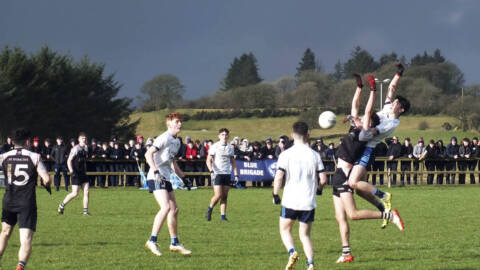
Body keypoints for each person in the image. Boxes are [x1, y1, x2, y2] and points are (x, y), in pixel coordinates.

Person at [331, 74, 404, 263]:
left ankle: (388, 213)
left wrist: (372, 91)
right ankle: (346, 253)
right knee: (340, 217)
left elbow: (368, 110)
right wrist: (359, 86)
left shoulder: (362, 135)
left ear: (369, 124)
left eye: (366, 119)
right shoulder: (354, 127)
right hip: (337, 176)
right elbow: (356, 105)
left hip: (345, 176)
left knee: (353, 215)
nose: (361, 117)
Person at [346, 63, 410, 228]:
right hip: (361, 146)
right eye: (394, 101)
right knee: (361, 190)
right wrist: (399, 73)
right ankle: (385, 211)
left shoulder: (392, 123)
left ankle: (384, 195)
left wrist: (356, 122)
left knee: (353, 184)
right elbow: (391, 88)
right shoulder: (389, 107)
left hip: (367, 150)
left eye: (396, 103)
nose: (393, 102)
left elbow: (370, 131)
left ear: (401, 109)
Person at [272, 121, 327, 270]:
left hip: (290, 200)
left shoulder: (285, 154)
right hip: (308, 201)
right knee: (305, 235)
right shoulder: (315, 155)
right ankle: (310, 264)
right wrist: (320, 190)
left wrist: (275, 194)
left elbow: (278, 177)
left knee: (285, 229)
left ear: (292, 135)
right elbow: (323, 179)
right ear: (308, 135)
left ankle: (292, 252)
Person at [0, 129, 51, 270]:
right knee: (25, 239)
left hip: (9, 200)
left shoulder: (4, 156)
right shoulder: (34, 156)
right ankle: (20, 267)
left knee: (4, 232)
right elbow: (46, 178)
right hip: (26, 202)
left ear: (13, 142)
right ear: (27, 142)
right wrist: (47, 183)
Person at [144, 112, 191, 257]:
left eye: (180, 122)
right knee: (165, 207)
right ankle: (152, 240)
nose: (180, 124)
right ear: (169, 124)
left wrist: (184, 177)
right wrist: (156, 171)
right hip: (155, 176)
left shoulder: (177, 141)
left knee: (174, 209)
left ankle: (174, 243)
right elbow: (148, 154)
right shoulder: (163, 138)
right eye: (177, 122)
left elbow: (171, 162)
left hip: (166, 177)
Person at [205, 128, 239, 222]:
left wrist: (236, 175)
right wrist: (211, 171)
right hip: (217, 173)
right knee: (218, 195)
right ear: (219, 136)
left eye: (226, 135)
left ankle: (223, 216)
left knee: (224, 196)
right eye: (222, 134)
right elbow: (208, 160)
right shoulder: (215, 146)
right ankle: (209, 209)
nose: (224, 136)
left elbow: (233, 162)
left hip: (227, 173)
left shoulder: (230, 147)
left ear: (228, 136)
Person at [57, 132, 91, 215]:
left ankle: (85, 212)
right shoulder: (75, 149)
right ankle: (62, 205)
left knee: (86, 191)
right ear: (79, 140)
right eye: (82, 139)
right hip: (76, 173)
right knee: (75, 193)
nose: (84, 140)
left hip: (83, 173)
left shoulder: (86, 148)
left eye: (85, 139)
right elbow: (69, 161)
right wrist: (72, 171)